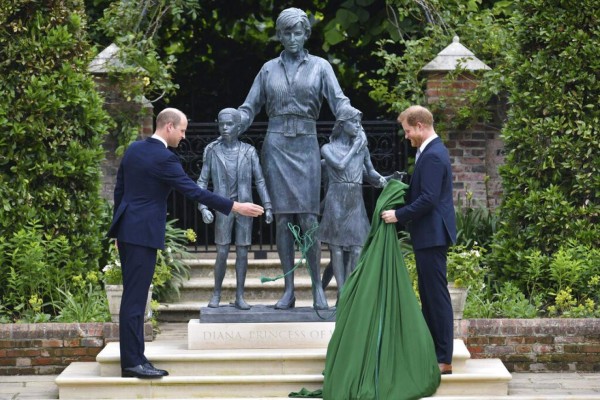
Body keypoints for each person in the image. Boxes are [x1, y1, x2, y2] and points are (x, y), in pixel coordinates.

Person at [108, 108, 264, 379]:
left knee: (133, 298)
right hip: (142, 234)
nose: (183, 136)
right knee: (135, 300)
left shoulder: (134, 149)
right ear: (168, 127)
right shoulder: (164, 158)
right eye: (182, 130)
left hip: (129, 232)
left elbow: (120, 190)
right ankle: (133, 363)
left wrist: (118, 230)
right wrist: (235, 205)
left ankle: (135, 358)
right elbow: (193, 191)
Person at [238, 7, 364, 310]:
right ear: (279, 35)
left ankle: (317, 289)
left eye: (298, 32)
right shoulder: (268, 69)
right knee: (282, 220)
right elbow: (249, 106)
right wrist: (232, 125)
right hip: (277, 145)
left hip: (306, 146)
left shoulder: (320, 67)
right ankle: (289, 290)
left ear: (306, 34)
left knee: (308, 218)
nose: (293, 38)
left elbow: (339, 101)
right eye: (287, 32)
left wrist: (353, 119)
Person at [381, 105, 457, 375]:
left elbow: (428, 198)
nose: (406, 136)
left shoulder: (434, 155)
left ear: (420, 126)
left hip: (433, 235)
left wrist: (398, 215)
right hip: (427, 235)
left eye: (408, 130)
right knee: (428, 295)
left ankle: (444, 358)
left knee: (436, 297)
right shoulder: (427, 152)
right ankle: (432, 353)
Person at [197, 108, 273, 310]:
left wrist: (268, 206)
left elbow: (260, 180)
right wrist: (203, 206)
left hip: (245, 209)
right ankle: (216, 293)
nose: (224, 128)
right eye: (221, 124)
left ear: (239, 127)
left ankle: (240, 295)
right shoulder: (212, 151)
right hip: (223, 208)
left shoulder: (249, 151)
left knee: (242, 253)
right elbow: (202, 182)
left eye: (229, 124)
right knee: (221, 252)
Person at [319, 107, 386, 293]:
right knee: (337, 248)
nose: (358, 126)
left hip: (355, 198)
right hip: (336, 198)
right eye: (354, 122)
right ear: (342, 124)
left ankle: (352, 291)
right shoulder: (327, 148)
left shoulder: (361, 150)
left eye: (359, 123)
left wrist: (386, 179)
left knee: (358, 247)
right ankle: (342, 293)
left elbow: (371, 173)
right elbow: (340, 166)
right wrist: (356, 147)